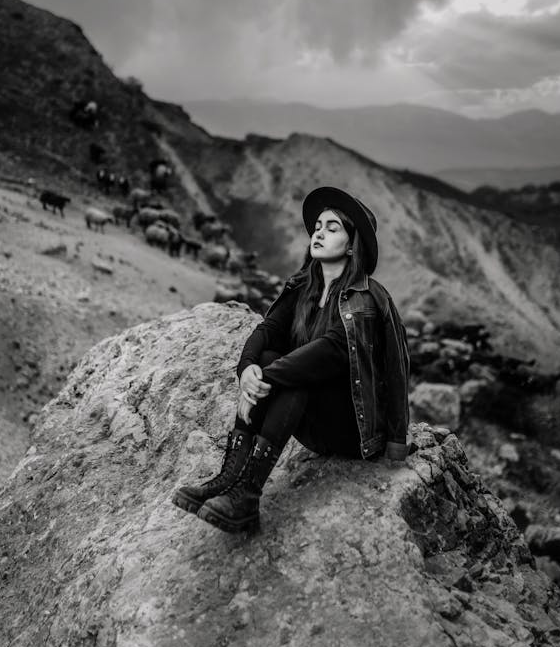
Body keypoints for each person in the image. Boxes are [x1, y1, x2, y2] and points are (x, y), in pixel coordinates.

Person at [172, 186, 410, 533]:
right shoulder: (303, 285)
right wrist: (248, 369)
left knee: (295, 375)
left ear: (351, 244)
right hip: (310, 421)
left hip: (351, 430)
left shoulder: (366, 298)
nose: (319, 232)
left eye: (332, 228)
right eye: (317, 226)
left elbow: (335, 351)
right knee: (270, 354)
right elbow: (267, 330)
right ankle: (229, 480)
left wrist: (397, 443)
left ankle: (247, 496)